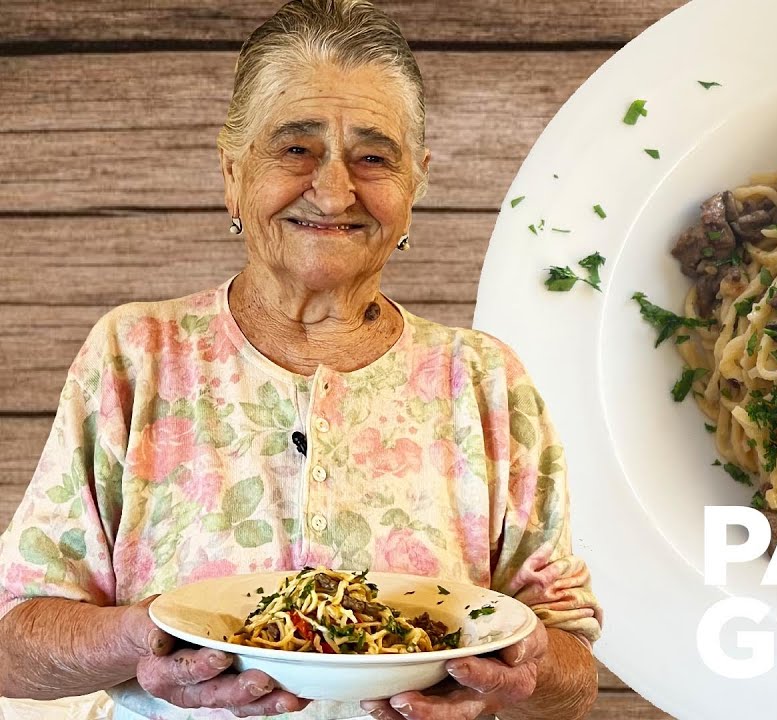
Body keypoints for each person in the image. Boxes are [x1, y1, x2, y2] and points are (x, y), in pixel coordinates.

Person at [0, 1, 601, 718]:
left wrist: (523, 669)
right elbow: (15, 649)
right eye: (295, 148)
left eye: (374, 156)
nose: (334, 188)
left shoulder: (482, 381)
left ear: (415, 186)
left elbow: (572, 671)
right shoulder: (137, 357)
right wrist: (144, 637)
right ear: (233, 173)